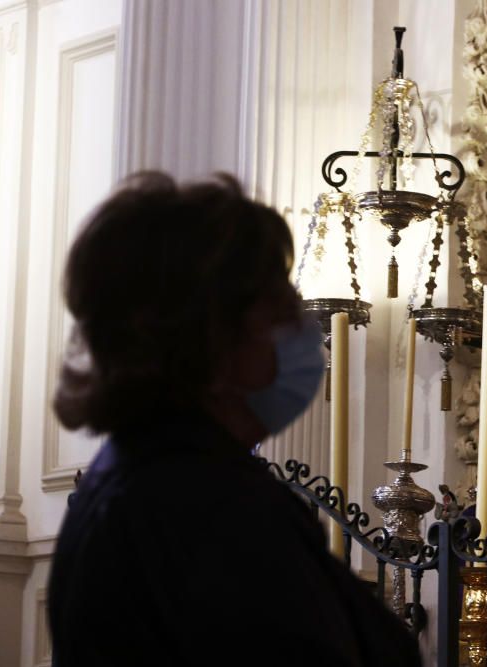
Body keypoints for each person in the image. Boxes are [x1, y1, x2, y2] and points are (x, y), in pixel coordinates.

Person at [47, 172, 422, 667]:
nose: (298, 327)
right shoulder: (203, 505)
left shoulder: (147, 480)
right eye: (277, 310)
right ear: (212, 339)